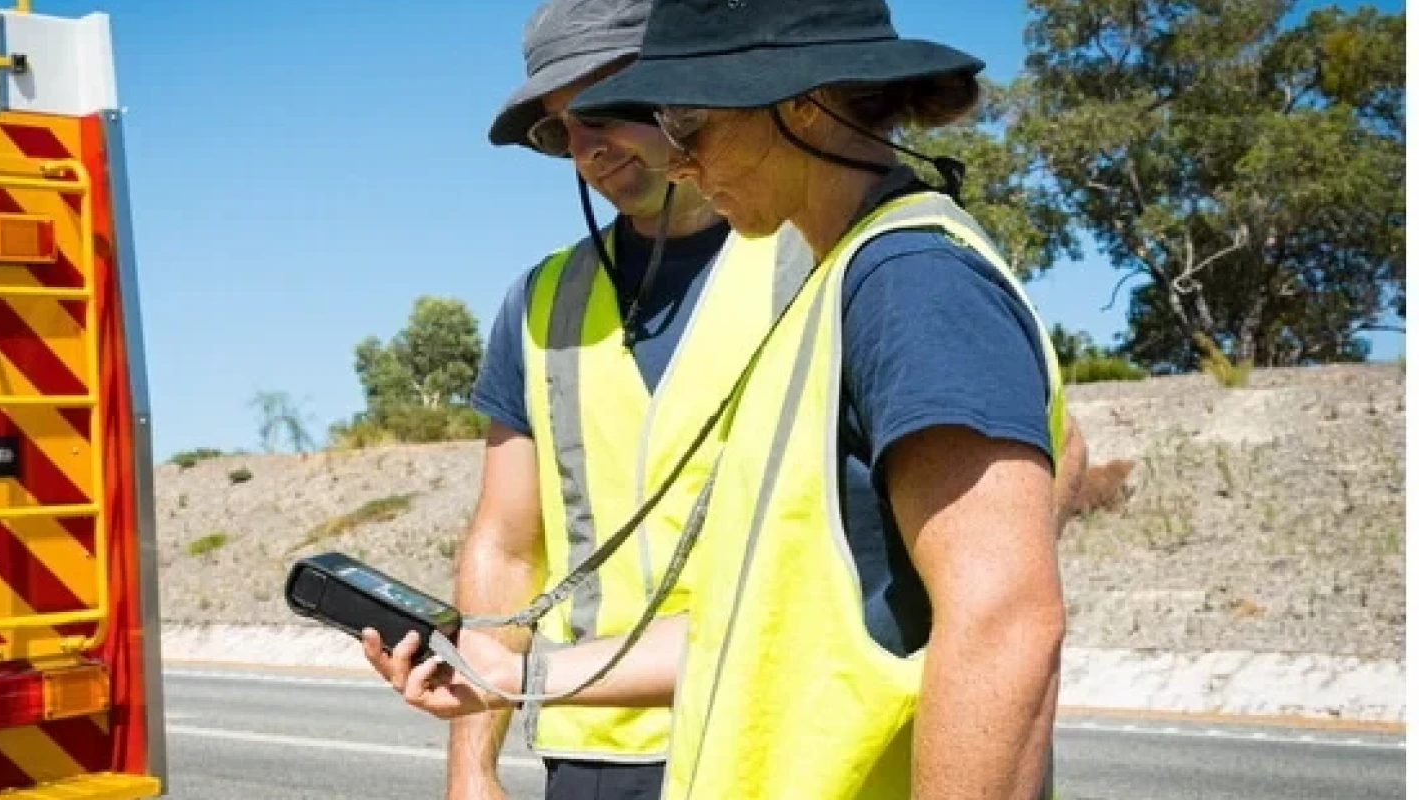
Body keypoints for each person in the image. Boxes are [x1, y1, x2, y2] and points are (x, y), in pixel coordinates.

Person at [371, 1, 1092, 798]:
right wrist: (513, 671)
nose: (677, 160)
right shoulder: (836, 284)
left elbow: (1001, 620)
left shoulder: (909, 281)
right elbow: (757, 619)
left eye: (690, 122)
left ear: (798, 106)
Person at [440, 1, 818, 798]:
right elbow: (507, 547)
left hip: (774, 743)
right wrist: (471, 769)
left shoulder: (817, 258)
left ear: (690, 84)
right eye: (559, 129)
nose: (586, 147)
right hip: (592, 753)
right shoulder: (541, 302)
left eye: (606, 106)